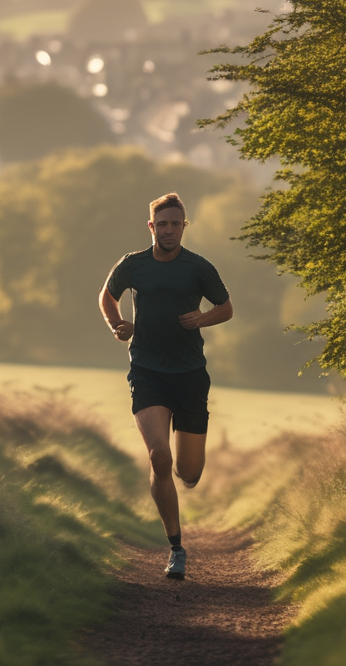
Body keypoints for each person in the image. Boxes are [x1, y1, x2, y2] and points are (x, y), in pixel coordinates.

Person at [98, 192, 233, 580]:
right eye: (163, 224)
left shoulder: (198, 268)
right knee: (159, 456)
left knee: (189, 471)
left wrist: (201, 320)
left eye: (176, 224)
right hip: (147, 371)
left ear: (183, 227)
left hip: (190, 374)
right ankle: (176, 548)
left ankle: (184, 479)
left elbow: (225, 308)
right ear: (151, 226)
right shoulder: (133, 265)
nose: (169, 230)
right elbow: (107, 297)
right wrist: (116, 325)